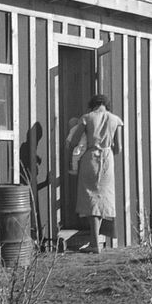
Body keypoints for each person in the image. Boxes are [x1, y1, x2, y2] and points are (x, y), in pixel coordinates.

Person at [66, 94, 123, 254]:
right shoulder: (115, 119)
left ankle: (94, 242)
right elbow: (118, 148)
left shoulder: (87, 117)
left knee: (90, 198)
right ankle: (98, 240)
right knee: (104, 198)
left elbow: (75, 140)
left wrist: (72, 156)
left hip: (90, 158)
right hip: (107, 160)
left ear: (93, 105)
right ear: (106, 105)